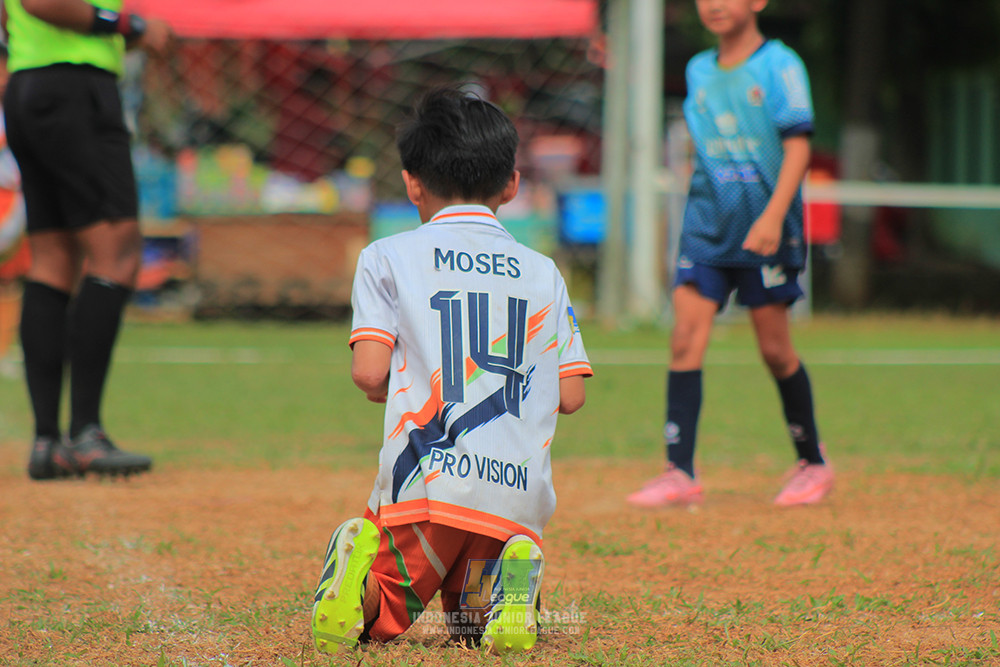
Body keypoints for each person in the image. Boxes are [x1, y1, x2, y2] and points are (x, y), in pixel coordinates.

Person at [310, 87, 592, 656]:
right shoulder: (544, 272)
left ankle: (355, 579)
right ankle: (513, 578)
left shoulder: (387, 256)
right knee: (470, 626)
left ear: (413, 181)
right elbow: (571, 394)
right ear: (511, 184)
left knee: (374, 616)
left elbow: (368, 374)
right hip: (515, 494)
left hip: (426, 482)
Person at [627, 0, 833, 509]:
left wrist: (771, 215)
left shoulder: (779, 65)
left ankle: (813, 462)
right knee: (684, 338)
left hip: (766, 228)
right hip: (706, 229)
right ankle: (680, 471)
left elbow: (799, 147)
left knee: (775, 349)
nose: (715, 4)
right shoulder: (698, 70)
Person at [2, 0, 171, 479]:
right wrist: (129, 24)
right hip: (77, 89)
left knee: (52, 258)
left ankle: (47, 442)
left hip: (31, 85)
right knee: (116, 253)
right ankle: (84, 434)